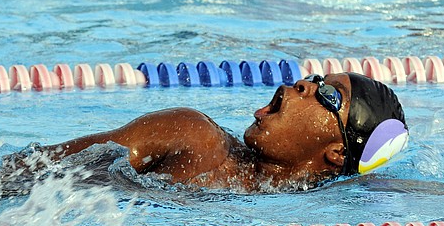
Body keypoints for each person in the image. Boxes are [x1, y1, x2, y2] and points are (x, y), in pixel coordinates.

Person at [42, 73, 408, 190]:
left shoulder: (310, 224)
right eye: (315, 79)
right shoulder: (190, 135)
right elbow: (38, 169)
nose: (303, 85)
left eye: (328, 94)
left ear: (337, 153)